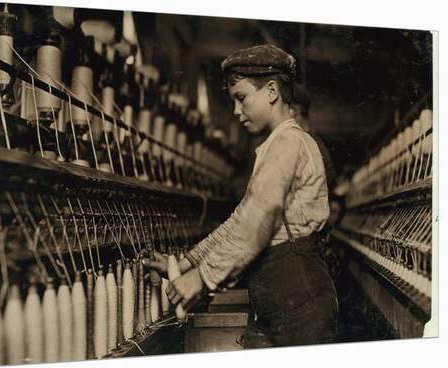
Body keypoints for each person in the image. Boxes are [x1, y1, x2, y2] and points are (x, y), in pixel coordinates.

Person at [145, 44, 338, 348]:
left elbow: (255, 226)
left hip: (300, 300)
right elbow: (240, 220)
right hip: (285, 298)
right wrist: (186, 263)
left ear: (272, 91)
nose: (236, 111)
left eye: (242, 98)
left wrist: (201, 278)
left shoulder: (288, 144)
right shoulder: (275, 146)